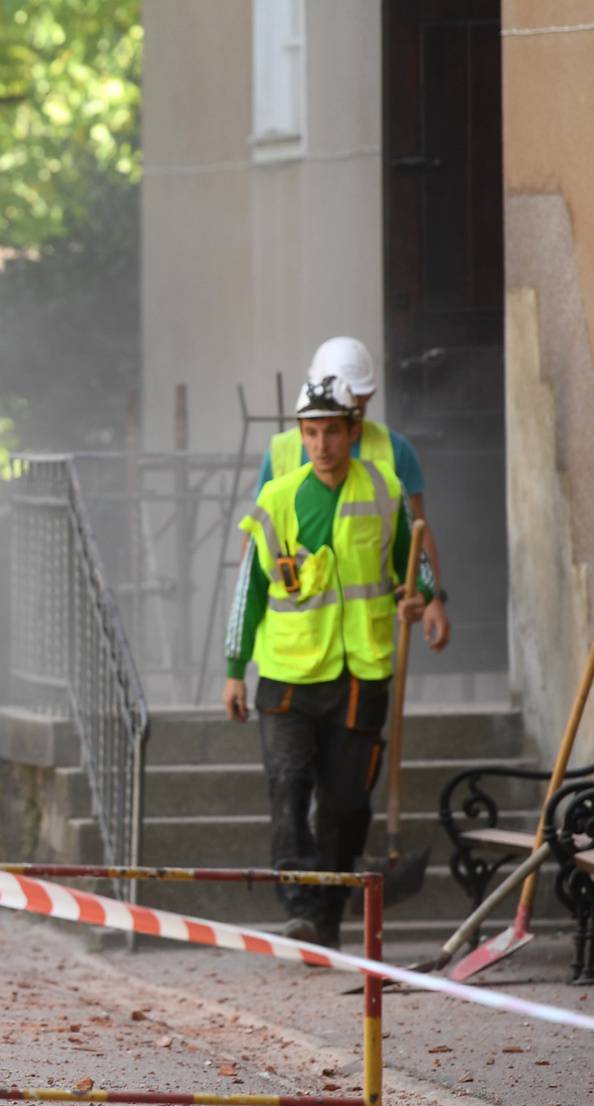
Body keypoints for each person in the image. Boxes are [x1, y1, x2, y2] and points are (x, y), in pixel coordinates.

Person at [223, 378, 449, 950]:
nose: (320, 444)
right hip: (288, 675)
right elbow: (247, 588)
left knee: (347, 805)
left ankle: (327, 920)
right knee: (290, 785)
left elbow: (412, 560)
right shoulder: (277, 497)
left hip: (361, 672)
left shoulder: (384, 489)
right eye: (310, 432)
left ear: (354, 432)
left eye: (331, 432)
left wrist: (423, 597)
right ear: (301, 435)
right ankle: (299, 904)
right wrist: (234, 668)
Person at [260, 337, 450, 649]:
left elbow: (417, 532)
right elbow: (257, 545)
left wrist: (433, 598)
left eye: (357, 406)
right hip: (299, 630)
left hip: (366, 632)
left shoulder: (394, 450)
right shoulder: (282, 452)